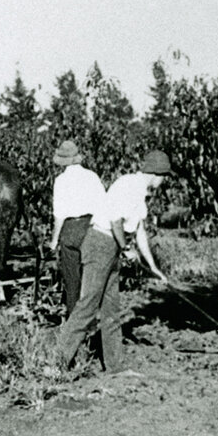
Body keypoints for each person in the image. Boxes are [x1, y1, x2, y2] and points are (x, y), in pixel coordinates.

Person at [58, 150, 172, 375]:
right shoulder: (129, 185)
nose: (164, 181)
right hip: (101, 243)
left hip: (111, 247)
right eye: (164, 176)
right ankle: (55, 362)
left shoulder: (140, 193)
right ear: (157, 174)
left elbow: (140, 232)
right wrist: (126, 248)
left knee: (111, 309)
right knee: (88, 305)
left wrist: (154, 268)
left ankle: (115, 366)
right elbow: (116, 221)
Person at [49, 140, 107, 318]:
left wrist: (54, 241)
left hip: (71, 229)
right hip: (91, 227)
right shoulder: (92, 176)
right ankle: (93, 316)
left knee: (72, 278)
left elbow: (59, 214)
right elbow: (104, 205)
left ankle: (75, 321)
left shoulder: (61, 180)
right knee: (91, 278)